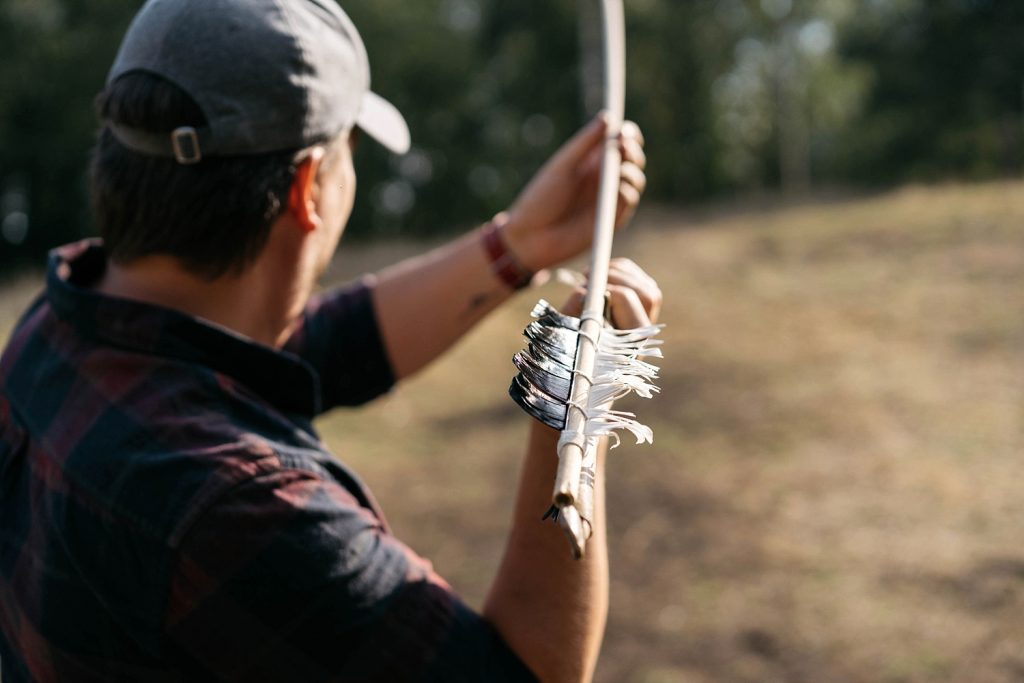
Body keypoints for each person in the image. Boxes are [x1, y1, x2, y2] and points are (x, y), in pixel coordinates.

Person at [0, 1, 659, 681]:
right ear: (309, 185)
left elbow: (312, 347)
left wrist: (515, 245)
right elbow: (526, 672)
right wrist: (573, 394)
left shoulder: (53, 330)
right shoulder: (238, 507)